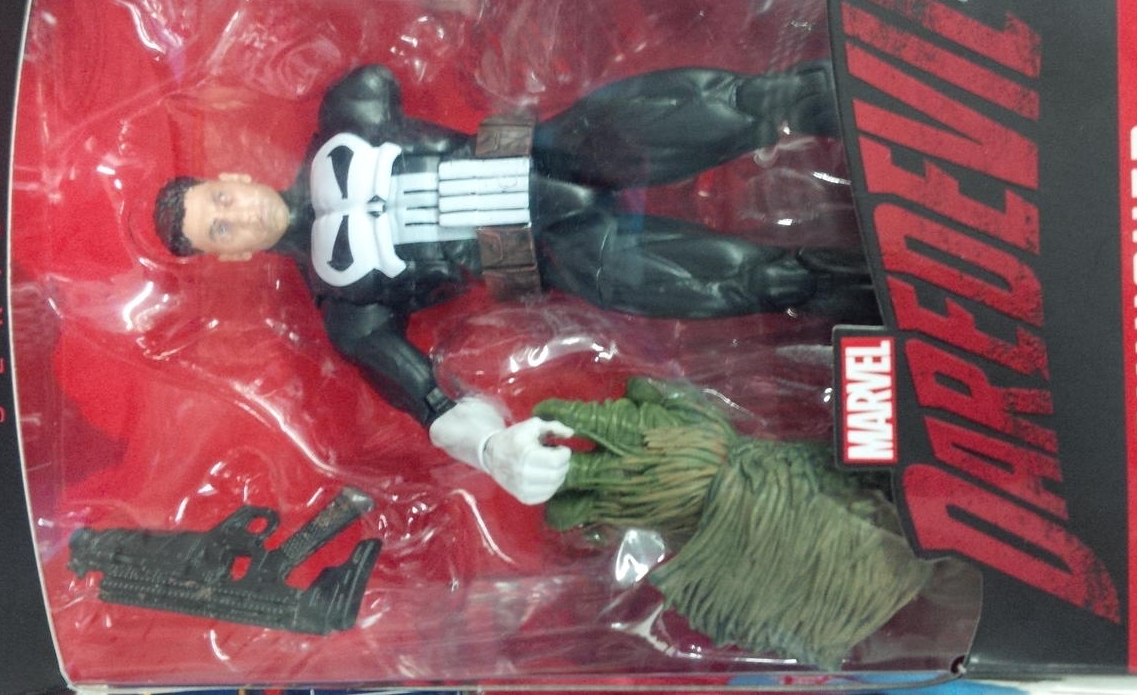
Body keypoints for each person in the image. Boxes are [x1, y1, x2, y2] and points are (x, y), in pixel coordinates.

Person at [154, 62, 875, 504]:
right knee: (759, 283)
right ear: (231, 257)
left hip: (546, 151)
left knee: (748, 104)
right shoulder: (348, 306)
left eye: (221, 199)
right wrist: (494, 451)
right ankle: (872, 294)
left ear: (233, 176)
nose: (235, 215)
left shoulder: (347, 119)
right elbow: (430, 400)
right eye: (219, 229)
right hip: (557, 255)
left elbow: (374, 77)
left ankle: (854, 90)